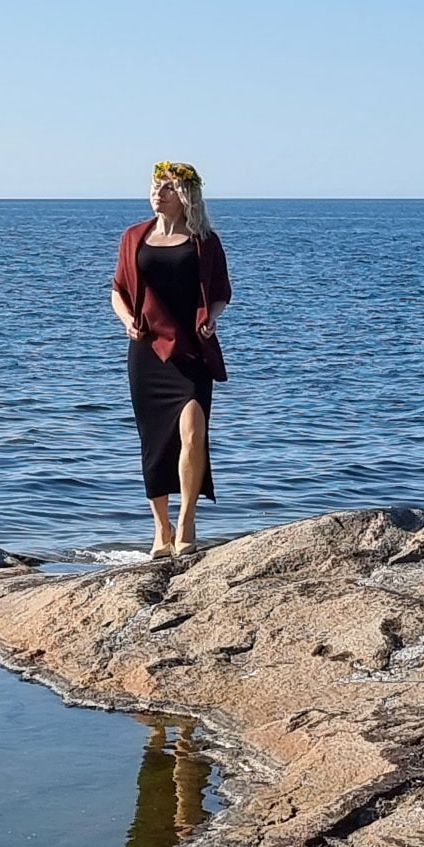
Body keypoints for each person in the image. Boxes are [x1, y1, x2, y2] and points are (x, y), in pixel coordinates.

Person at [110, 162, 231, 558]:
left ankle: (187, 520)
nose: (157, 193)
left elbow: (220, 291)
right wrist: (127, 321)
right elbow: (118, 290)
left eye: (167, 187)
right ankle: (161, 529)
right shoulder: (134, 237)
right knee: (155, 442)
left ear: (186, 196)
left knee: (194, 432)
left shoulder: (205, 242)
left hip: (192, 350)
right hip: (147, 352)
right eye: (155, 186)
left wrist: (212, 317)